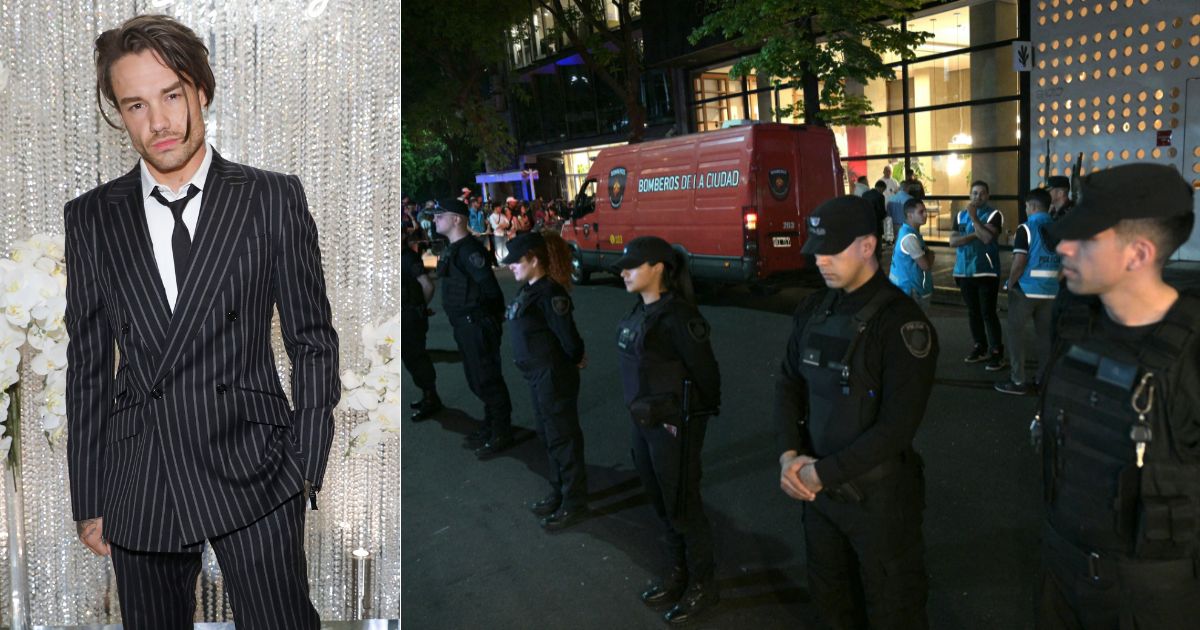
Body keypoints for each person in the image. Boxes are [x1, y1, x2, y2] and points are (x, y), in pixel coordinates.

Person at [64, 15, 340, 628]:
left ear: (202, 91)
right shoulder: (91, 218)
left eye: (171, 95)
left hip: (257, 466)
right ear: (119, 113)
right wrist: (90, 498)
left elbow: (312, 340)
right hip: (140, 476)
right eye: (135, 104)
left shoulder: (271, 198)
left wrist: (303, 462)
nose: (158, 122)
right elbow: (86, 366)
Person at [1033, 163, 1199, 628]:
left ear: (1138, 253)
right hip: (1059, 573)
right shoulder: (1073, 322)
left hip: (1151, 600)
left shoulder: (1191, 354)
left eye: (1085, 237)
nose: (1063, 245)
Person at [776, 195, 938, 629]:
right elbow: (790, 384)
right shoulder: (813, 309)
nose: (820, 261)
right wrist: (789, 455)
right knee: (830, 601)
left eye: (832, 250)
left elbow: (896, 428)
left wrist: (820, 474)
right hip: (819, 494)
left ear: (868, 246)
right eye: (816, 250)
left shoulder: (900, 322)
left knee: (893, 607)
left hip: (878, 500)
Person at [615, 237, 721, 625]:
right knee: (660, 501)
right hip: (643, 423)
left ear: (658, 268)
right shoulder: (640, 311)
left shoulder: (678, 316)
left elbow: (707, 376)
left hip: (672, 425)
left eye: (633, 266)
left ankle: (702, 584)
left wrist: (686, 424)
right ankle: (678, 572)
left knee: (683, 505)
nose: (623, 272)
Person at [502, 231, 590, 531]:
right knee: (548, 435)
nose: (511, 266)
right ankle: (559, 491)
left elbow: (568, 336)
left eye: (517, 261)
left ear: (534, 259)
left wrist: (576, 356)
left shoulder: (551, 293)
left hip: (553, 375)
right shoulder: (530, 290)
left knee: (562, 437)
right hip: (539, 376)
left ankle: (574, 502)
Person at [433, 199, 514, 459]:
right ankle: (492, 425)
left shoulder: (469, 251)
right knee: (477, 379)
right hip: (465, 325)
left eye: (440, 215)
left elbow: (490, 289)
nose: (435, 220)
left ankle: (501, 431)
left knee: (487, 379)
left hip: (476, 324)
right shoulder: (455, 249)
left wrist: (490, 321)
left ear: (456, 219)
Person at [995, 189, 1060, 396]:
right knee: (1045, 338)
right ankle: (1044, 379)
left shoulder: (1027, 228)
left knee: (1015, 334)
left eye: (1025, 206)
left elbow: (1019, 262)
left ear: (1031, 206)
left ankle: (1018, 380)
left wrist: (1009, 283)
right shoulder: (1060, 228)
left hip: (1026, 290)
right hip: (1051, 292)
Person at [950, 180, 1007, 371]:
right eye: (974, 193)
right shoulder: (959, 216)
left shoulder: (994, 215)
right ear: (969, 194)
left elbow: (988, 237)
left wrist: (974, 219)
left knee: (988, 313)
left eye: (982, 193)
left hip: (986, 272)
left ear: (988, 196)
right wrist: (974, 234)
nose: (977, 197)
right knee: (973, 312)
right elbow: (953, 241)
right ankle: (979, 346)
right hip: (964, 272)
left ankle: (997, 352)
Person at [403, 234, 442, 420]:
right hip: (407, 316)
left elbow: (428, 285)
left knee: (417, 358)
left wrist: (419, 307)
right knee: (411, 358)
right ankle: (429, 396)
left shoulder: (407, 258)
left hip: (410, 318)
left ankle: (431, 398)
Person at [889, 198, 936, 312]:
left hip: (903, 287)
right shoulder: (909, 238)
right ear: (910, 215)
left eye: (925, 211)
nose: (925, 214)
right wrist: (930, 255)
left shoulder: (906, 231)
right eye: (921, 212)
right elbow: (925, 265)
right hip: (911, 290)